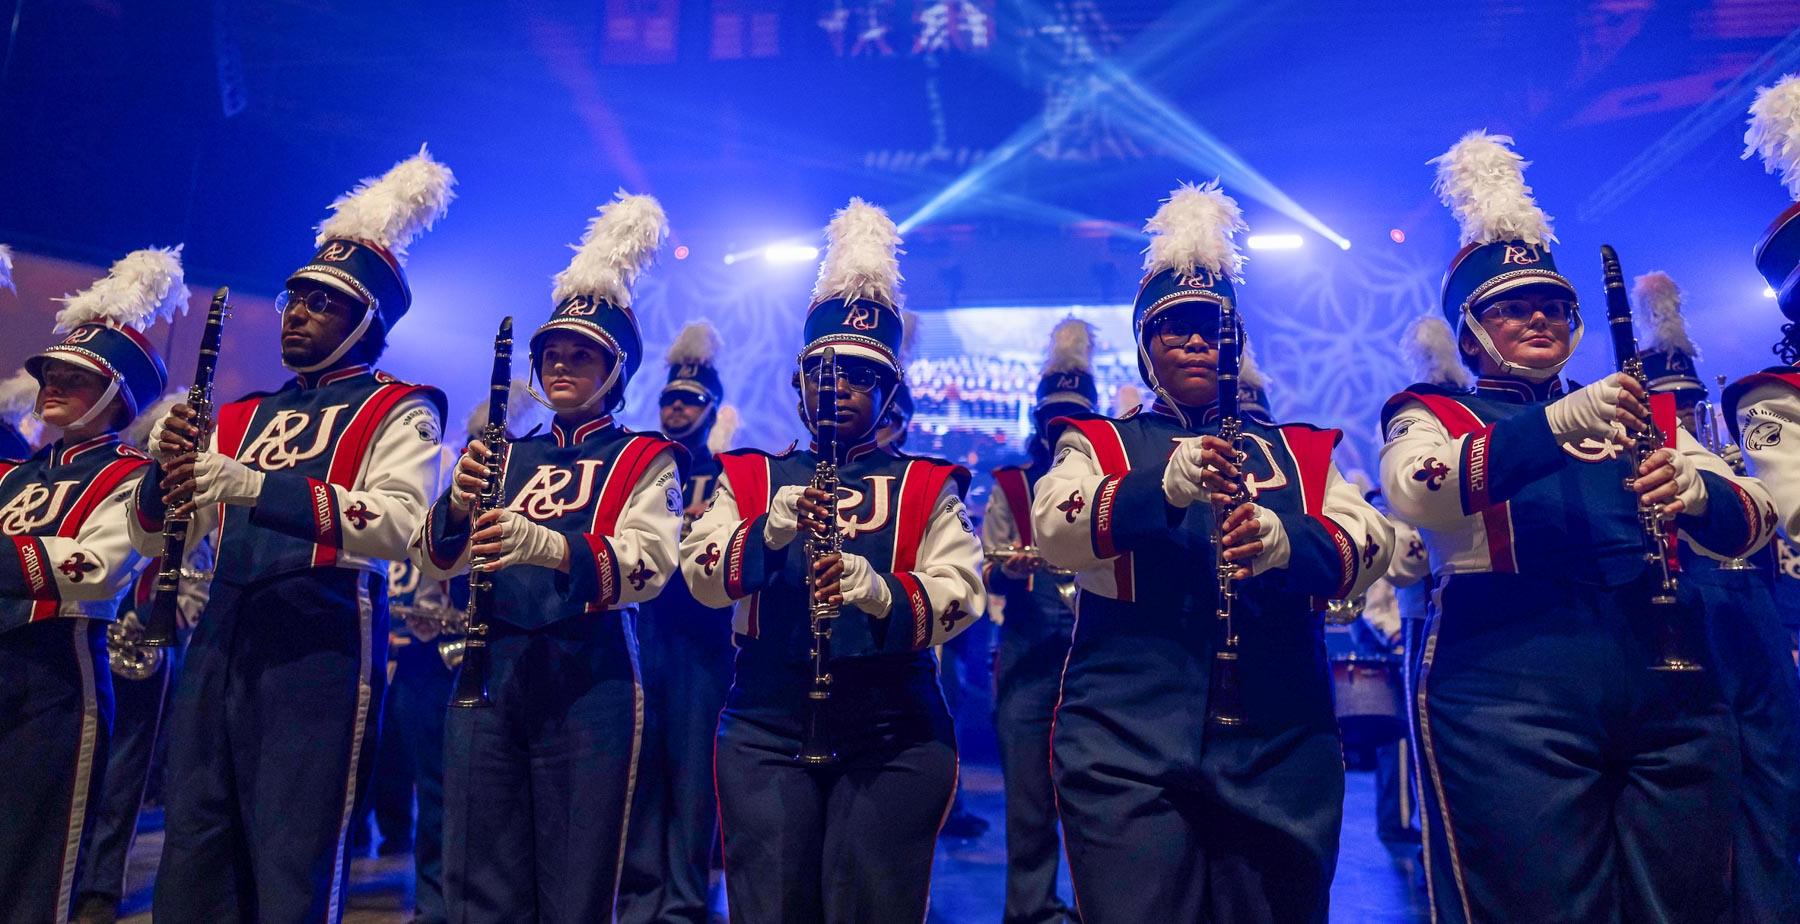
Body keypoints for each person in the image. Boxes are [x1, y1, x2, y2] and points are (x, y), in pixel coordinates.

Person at [1381, 131, 1774, 922]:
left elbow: (1758, 519)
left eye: (1554, 305)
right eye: (1511, 307)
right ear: (1470, 332)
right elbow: (1418, 491)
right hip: (1504, 682)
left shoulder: (1646, 407)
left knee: (1684, 902)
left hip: (1667, 672)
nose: (1538, 318)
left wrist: (1692, 490)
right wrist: (1557, 422)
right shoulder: (1432, 412)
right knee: (1538, 905)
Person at [1033, 181, 1392, 922]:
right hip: (1124, 743)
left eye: (1214, 326)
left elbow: (1373, 538)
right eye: (1177, 328)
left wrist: (1282, 540)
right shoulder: (1098, 442)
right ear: (1145, 347)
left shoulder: (1299, 449)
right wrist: (1158, 486)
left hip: (1280, 745)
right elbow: (1053, 526)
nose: (1199, 340)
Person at [133, 149, 454, 923]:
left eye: (323, 303)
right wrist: (161, 467)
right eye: (295, 299)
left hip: (323, 637)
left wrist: (251, 486)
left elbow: (400, 525)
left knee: (291, 860)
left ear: (366, 320)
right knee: (195, 847)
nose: (298, 314)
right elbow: (154, 541)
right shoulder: (243, 414)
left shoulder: (402, 408)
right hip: (223, 637)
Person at [680, 198, 984, 924]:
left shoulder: (927, 482)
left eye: (858, 378)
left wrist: (878, 592)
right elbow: (699, 575)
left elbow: (962, 593)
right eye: (823, 373)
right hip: (765, 723)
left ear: (888, 394)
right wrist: (770, 530)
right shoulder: (750, 477)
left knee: (871, 905)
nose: (836, 389)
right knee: (772, 904)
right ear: (797, 384)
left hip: (895, 728)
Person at [415, 191, 684, 923]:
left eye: (581, 354)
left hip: (588, 679)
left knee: (575, 883)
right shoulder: (504, 452)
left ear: (614, 368)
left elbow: (651, 565)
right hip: (491, 671)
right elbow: (436, 560)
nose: (562, 365)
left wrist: (551, 547)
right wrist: (457, 505)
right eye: (552, 354)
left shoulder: (644, 456)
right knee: (480, 877)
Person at [1, 247, 186, 924]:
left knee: (31, 878)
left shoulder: (134, 475)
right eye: (50, 371)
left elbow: (95, 568)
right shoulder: (16, 472)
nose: (51, 383)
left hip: (57, 680)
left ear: (115, 393)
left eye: (74, 377)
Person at [72, 394, 210, 924]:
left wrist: (164, 618)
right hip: (90, 634)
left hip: (143, 647)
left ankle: (102, 886)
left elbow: (194, 578)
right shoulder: (116, 483)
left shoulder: (183, 498)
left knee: (125, 772)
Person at [618, 320, 738, 924]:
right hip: (642, 634)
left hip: (701, 641)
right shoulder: (643, 468)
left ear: (710, 406)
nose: (675, 408)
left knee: (693, 773)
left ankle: (686, 899)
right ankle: (640, 895)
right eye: (668, 398)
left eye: (688, 399)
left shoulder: (729, 477)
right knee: (640, 767)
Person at [983, 317, 1097, 924]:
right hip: (1028, 655)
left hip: (1097, 661)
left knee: (1097, 798)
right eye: (1054, 418)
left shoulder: (1115, 477)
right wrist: (1015, 568)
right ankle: (1030, 911)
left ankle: (1098, 905)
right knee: (1028, 797)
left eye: (1073, 418)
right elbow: (988, 568)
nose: (1061, 429)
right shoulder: (1012, 483)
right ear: (1038, 420)